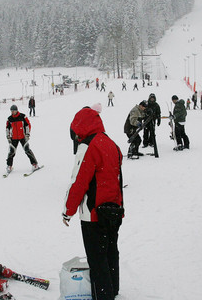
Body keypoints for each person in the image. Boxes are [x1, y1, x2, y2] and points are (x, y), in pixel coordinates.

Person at [63, 107, 124, 300]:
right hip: (113, 210)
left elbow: (79, 182)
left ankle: (103, 296)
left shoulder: (88, 146)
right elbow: (117, 178)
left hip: (94, 214)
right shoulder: (111, 143)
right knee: (110, 253)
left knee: (97, 259)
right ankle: (112, 289)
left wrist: (68, 210)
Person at [5, 105, 39, 173]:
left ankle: (34, 164)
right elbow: (7, 128)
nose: (12, 112)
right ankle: (9, 166)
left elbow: (27, 125)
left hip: (23, 137)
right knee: (11, 152)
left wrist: (27, 134)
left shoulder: (23, 116)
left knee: (27, 150)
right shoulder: (9, 119)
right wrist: (8, 137)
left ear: (16, 110)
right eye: (11, 111)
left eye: (14, 111)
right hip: (14, 138)